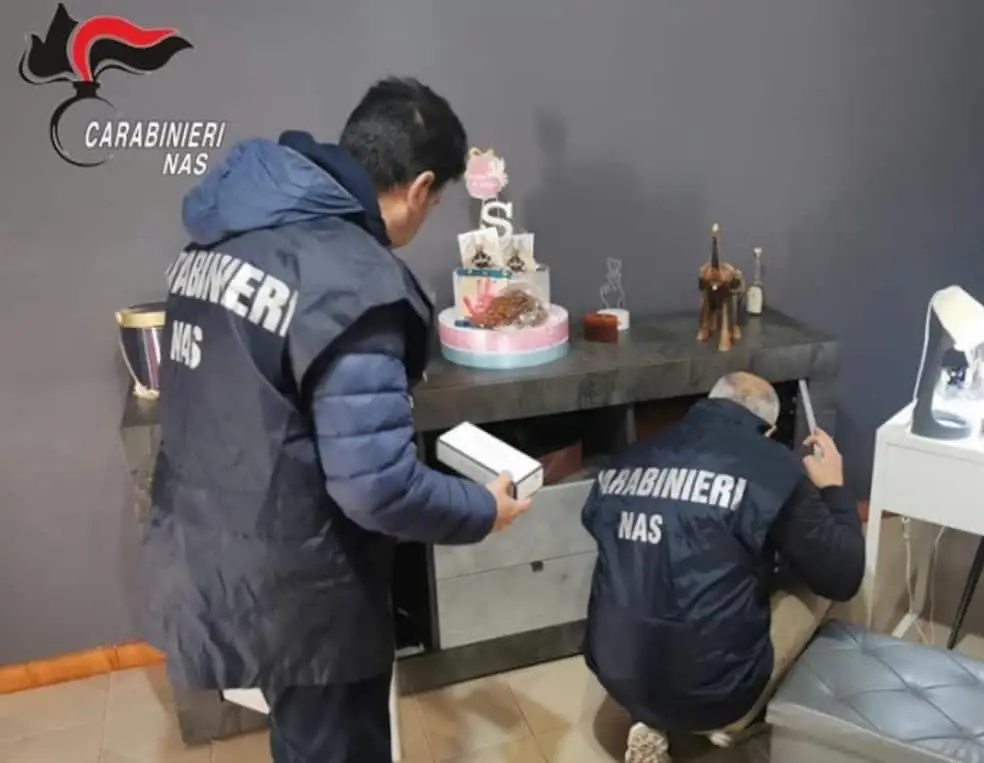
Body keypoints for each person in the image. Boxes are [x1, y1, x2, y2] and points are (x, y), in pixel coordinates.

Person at [143, 77, 531, 763]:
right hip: (303, 587)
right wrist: (480, 508)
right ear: (421, 188)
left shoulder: (221, 237)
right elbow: (377, 486)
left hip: (213, 547)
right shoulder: (353, 278)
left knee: (302, 735)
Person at [581, 372, 866, 763]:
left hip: (615, 676)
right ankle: (748, 719)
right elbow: (844, 576)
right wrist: (834, 486)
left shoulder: (626, 459)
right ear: (769, 430)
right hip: (716, 696)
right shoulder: (774, 468)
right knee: (816, 576)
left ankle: (647, 716)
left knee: (651, 566)